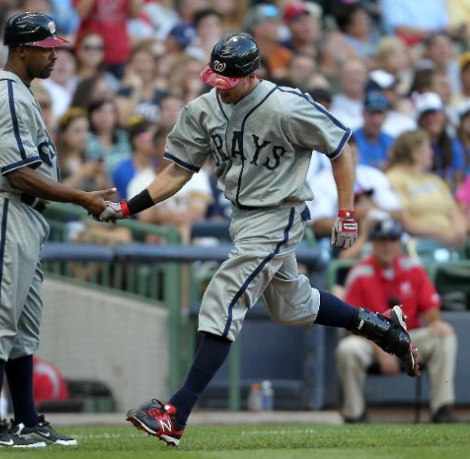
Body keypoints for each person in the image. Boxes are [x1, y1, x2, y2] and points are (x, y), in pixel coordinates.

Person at [97, 32, 420, 447]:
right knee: (292, 306)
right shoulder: (202, 109)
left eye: (230, 82)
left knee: (222, 296)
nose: (222, 90)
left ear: (252, 75)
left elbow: (340, 147)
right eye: (217, 80)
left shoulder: (285, 105)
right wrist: (128, 208)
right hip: (241, 216)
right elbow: (178, 171)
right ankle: (381, 327)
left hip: (278, 212)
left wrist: (346, 212)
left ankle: (176, 413)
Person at [0, 12, 115, 448]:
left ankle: (27, 419)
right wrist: (82, 197)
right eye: (46, 49)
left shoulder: (17, 91)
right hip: (6, 207)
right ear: (21, 49)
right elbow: (17, 173)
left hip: (19, 212)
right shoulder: (8, 93)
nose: (55, 56)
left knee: (21, 326)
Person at [336, 217, 458, 423]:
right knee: (348, 349)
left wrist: (435, 320)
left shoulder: (413, 269)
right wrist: (380, 348)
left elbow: (430, 306)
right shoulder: (360, 273)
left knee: (444, 336)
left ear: (399, 243)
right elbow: (352, 323)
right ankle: (354, 414)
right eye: (382, 240)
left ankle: (442, 409)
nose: (387, 245)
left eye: (392, 239)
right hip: (371, 340)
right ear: (373, 243)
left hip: (409, 339)